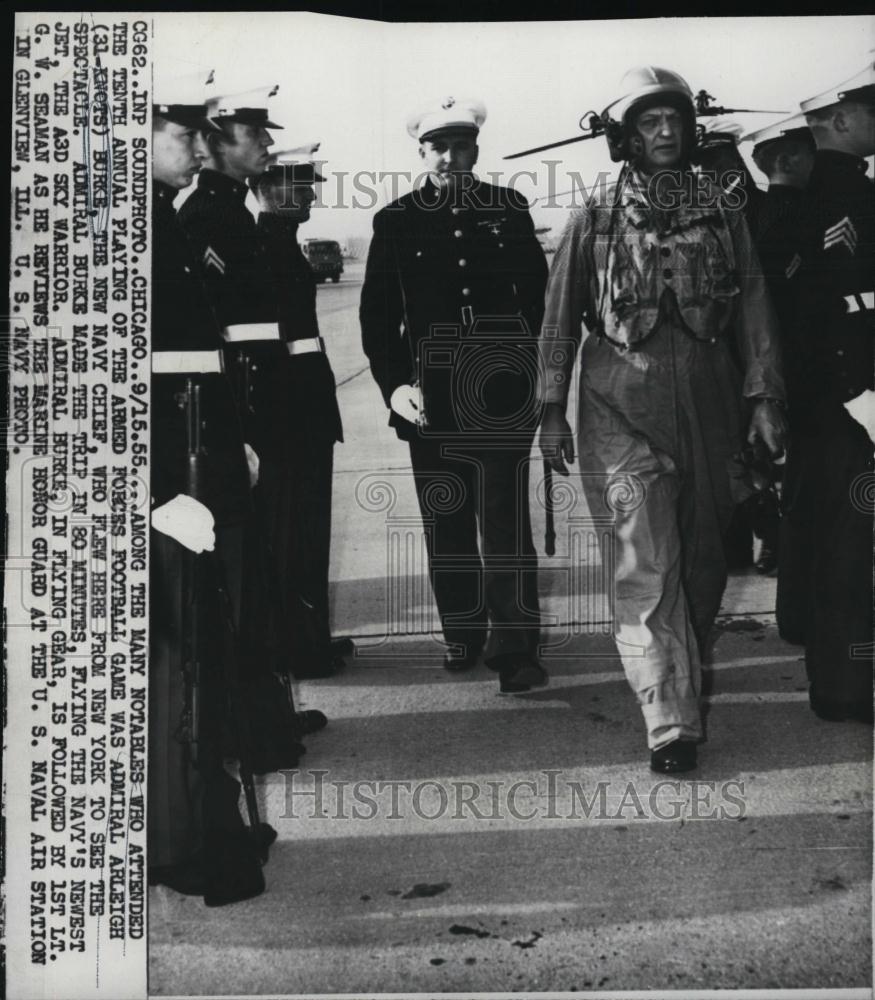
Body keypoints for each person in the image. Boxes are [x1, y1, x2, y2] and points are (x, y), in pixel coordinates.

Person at [539, 66, 787, 772]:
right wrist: (550, 407)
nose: (666, 133)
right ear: (624, 137)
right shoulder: (592, 214)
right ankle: (669, 718)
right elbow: (557, 316)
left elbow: (754, 308)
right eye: (649, 122)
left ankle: (679, 673)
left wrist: (764, 398)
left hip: (709, 400)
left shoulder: (723, 208)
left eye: (674, 120)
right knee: (643, 564)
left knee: (705, 560)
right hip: (619, 402)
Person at [360, 96, 549, 693]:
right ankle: (463, 631)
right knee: (446, 518)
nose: (450, 156)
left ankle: (516, 648)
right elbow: (377, 317)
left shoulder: (507, 207)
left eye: (460, 145)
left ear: (476, 148)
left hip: (499, 384)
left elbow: (538, 299)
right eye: (437, 146)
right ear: (420, 152)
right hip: (431, 390)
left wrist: (536, 374)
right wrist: (395, 387)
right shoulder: (397, 219)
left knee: (504, 522)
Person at [148, 72, 268, 905]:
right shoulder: (119, 228)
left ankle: (204, 822)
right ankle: (183, 835)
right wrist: (153, 491)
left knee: (203, 647)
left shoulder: (160, 218)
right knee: (174, 659)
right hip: (166, 477)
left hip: (197, 457)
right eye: (179, 130)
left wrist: (233, 442)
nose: (198, 143)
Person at [178, 86, 327, 735]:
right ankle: (259, 716)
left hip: (266, 407)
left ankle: (267, 708)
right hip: (250, 410)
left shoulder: (230, 213)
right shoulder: (208, 217)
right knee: (252, 565)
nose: (265, 146)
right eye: (254, 135)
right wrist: (244, 427)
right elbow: (222, 335)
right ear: (218, 141)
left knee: (266, 562)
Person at [787, 64, 875, 723]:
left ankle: (841, 681)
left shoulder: (824, 194)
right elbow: (834, 308)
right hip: (849, 403)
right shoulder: (840, 199)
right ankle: (845, 689)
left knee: (834, 538)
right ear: (840, 120)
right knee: (849, 546)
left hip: (833, 402)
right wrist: (859, 395)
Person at [249, 152, 345, 679]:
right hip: (286, 417)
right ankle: (298, 648)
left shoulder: (281, 243)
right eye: (300, 187)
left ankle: (312, 636)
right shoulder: (264, 245)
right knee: (291, 536)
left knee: (308, 531)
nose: (310, 195)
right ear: (267, 186)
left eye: (310, 185)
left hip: (303, 410)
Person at [695, 117, 780, 572]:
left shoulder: (752, 207)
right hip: (712, 344)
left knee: (754, 451)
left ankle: (770, 533)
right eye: (707, 161)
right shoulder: (694, 210)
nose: (717, 171)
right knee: (725, 450)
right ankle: (737, 539)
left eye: (722, 160)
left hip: (755, 342)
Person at [743, 116, 816, 591]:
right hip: (796, 353)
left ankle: (770, 536)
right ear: (788, 158)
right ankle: (780, 538)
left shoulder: (749, 217)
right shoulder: (801, 214)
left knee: (758, 461)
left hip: (757, 358)